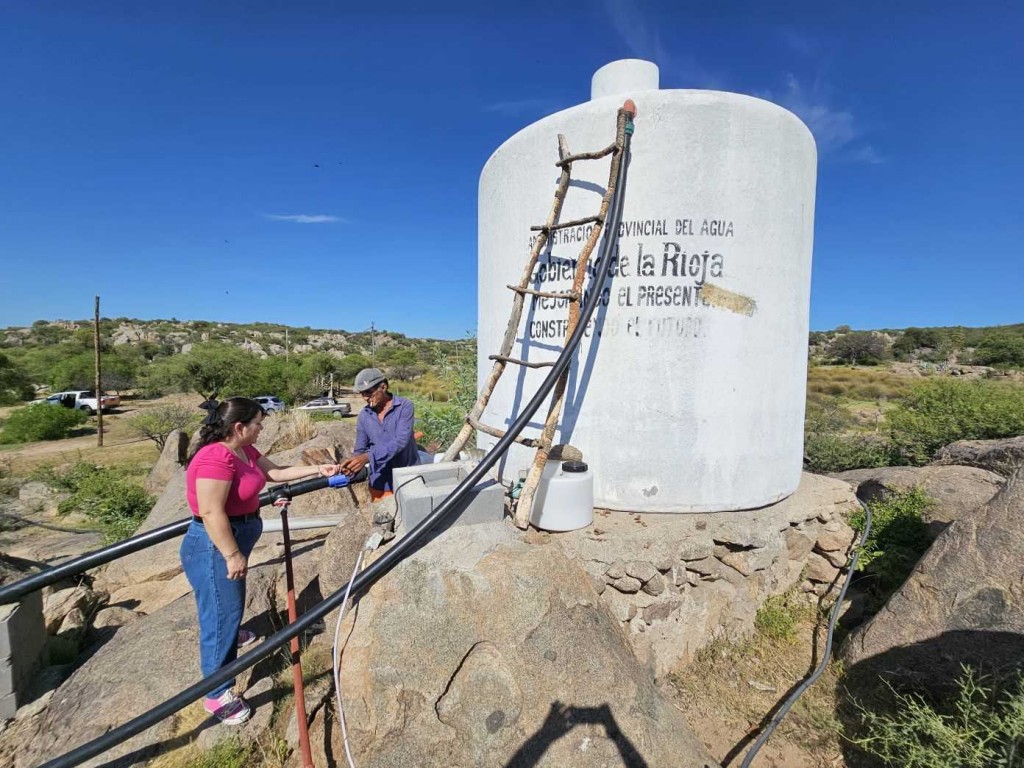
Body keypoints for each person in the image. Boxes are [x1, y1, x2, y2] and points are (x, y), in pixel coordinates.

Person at [180, 396, 343, 725]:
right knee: (220, 618)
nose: (261, 429)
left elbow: (277, 472)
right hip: (216, 546)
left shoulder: (242, 450)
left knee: (224, 608)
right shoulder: (215, 458)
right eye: (257, 424)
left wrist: (318, 468)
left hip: (235, 535)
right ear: (239, 427)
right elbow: (211, 512)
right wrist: (232, 553)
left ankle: (229, 633)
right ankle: (216, 694)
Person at [340, 368, 420, 499]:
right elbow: (360, 449)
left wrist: (368, 457)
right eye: (362, 393)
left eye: (369, 392)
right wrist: (351, 467)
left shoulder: (405, 406)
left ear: (383, 387)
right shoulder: (364, 416)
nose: (365, 398)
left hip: (408, 478)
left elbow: (401, 441)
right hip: (380, 484)